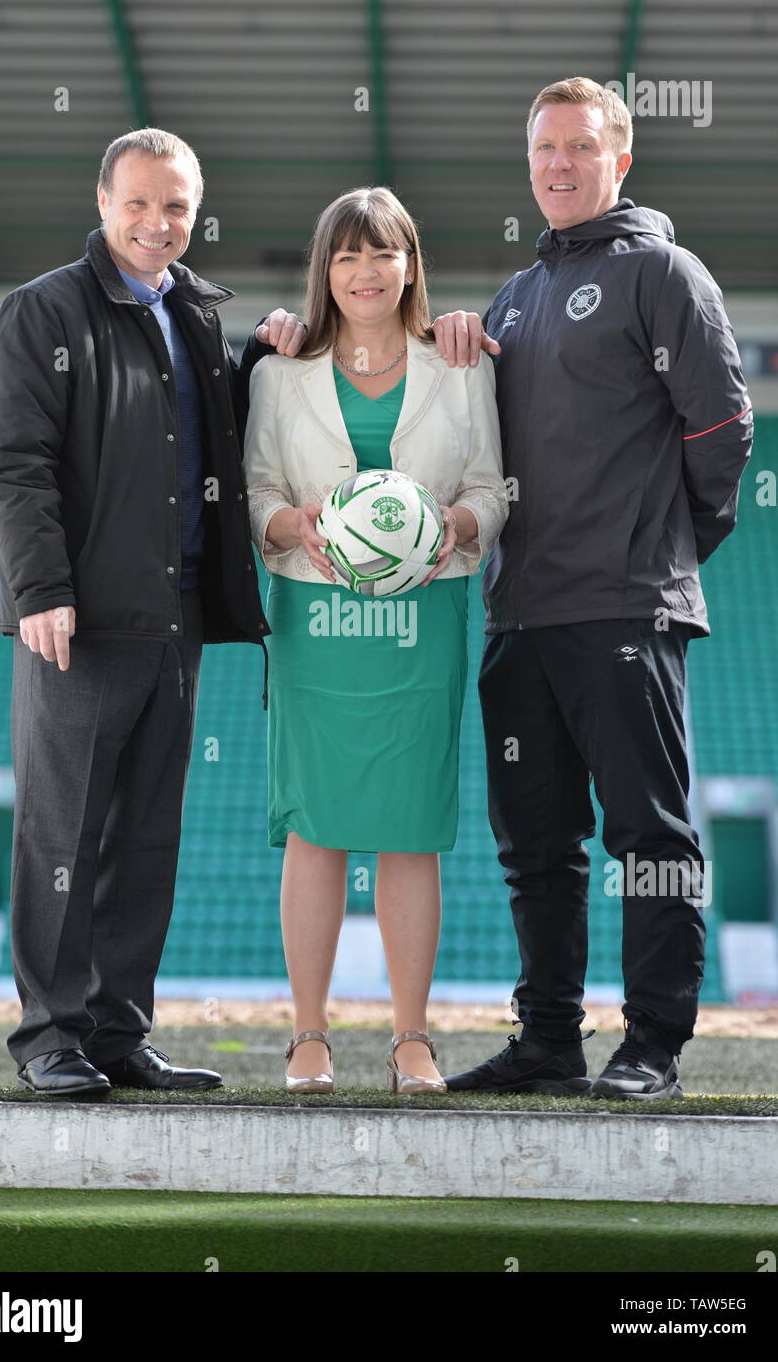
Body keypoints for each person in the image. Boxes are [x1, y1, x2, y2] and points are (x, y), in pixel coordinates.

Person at [432, 77, 753, 1100]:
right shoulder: (517, 295)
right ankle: (548, 1041)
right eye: (543, 150)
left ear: (620, 158)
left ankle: (651, 1042)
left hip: (622, 604)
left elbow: (722, 427)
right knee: (535, 845)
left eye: (578, 146)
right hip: (517, 612)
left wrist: (660, 545)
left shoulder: (662, 271)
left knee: (648, 835)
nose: (558, 165)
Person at [0, 127, 306, 1096]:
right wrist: (41, 590)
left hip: (175, 622)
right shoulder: (44, 312)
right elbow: (12, 464)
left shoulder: (195, 313)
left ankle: (117, 1033)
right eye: (139, 203)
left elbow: (206, 436)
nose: (158, 223)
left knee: (145, 838)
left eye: (176, 207)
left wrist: (261, 358)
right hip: (80, 623)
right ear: (103, 201)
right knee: (62, 836)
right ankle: (49, 1036)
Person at [244, 186, 510, 1094]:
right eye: (347, 255)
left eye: (383, 254)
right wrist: (294, 525)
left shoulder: (460, 364)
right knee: (314, 831)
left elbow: (493, 488)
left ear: (409, 265)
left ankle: (410, 1041)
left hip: (422, 613)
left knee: (409, 831)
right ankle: (308, 1037)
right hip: (314, 617)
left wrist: (451, 526)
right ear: (325, 269)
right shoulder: (279, 371)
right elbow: (253, 494)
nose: (366, 272)